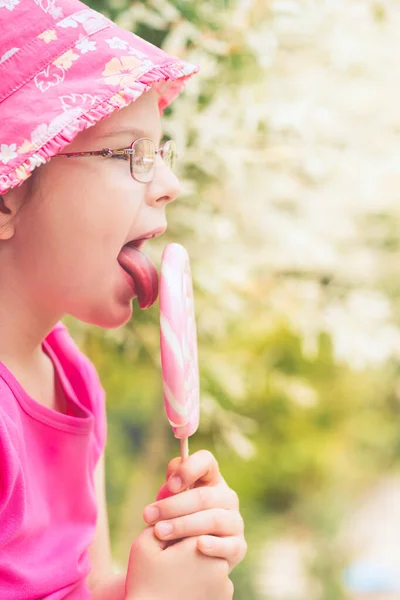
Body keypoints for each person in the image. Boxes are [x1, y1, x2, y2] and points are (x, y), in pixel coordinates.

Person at [0, 0, 247, 598]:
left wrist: (163, 569)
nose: (169, 185)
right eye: (130, 152)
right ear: (7, 194)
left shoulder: (75, 380)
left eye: (162, 153)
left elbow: (82, 586)